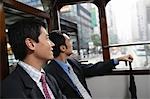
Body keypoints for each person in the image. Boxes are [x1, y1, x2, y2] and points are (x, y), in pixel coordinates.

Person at [44, 30, 133, 99]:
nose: (72, 43)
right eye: (69, 41)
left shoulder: (72, 63)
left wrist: (118, 60)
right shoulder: (49, 72)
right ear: (63, 48)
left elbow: (94, 68)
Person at [1, 19, 66, 99]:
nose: (52, 44)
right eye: (47, 38)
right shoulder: (10, 89)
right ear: (31, 44)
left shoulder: (49, 79)